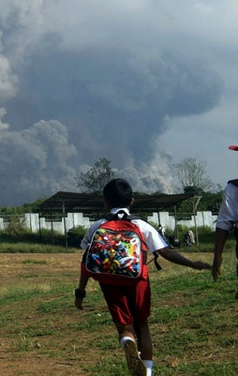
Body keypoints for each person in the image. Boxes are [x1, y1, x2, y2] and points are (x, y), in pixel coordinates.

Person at [77, 178, 210, 376]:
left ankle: (127, 340)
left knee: (125, 327)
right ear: (132, 201)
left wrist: (81, 292)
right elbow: (166, 253)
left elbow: (86, 261)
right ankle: (147, 371)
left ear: (105, 202)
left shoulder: (97, 226)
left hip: (109, 283)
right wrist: (193, 264)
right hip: (138, 280)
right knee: (143, 324)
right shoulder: (141, 225)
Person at [212, 143, 238, 300]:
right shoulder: (233, 188)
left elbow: (223, 223)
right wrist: (217, 256)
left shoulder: (234, 188)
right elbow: (224, 222)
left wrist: (218, 256)